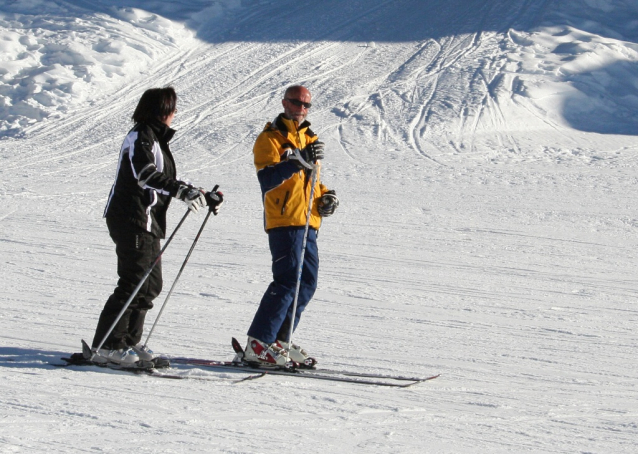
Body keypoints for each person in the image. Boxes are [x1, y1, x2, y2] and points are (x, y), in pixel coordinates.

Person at [91, 86, 224, 365]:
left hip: (147, 220)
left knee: (150, 285)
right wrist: (181, 192)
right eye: (173, 109)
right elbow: (145, 174)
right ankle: (107, 346)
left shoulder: (155, 139)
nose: (175, 115)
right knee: (133, 282)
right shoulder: (140, 136)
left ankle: (128, 342)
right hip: (131, 218)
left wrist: (199, 193)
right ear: (163, 111)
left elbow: (163, 179)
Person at [243, 85, 339, 366]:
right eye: (296, 102)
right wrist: (298, 161)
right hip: (284, 219)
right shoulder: (270, 138)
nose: (301, 108)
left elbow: (311, 182)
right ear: (284, 102)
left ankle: (279, 341)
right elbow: (267, 179)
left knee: (307, 282)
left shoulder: (309, 137)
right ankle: (259, 343)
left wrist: (326, 196)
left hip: (308, 221)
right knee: (286, 282)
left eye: (306, 104)